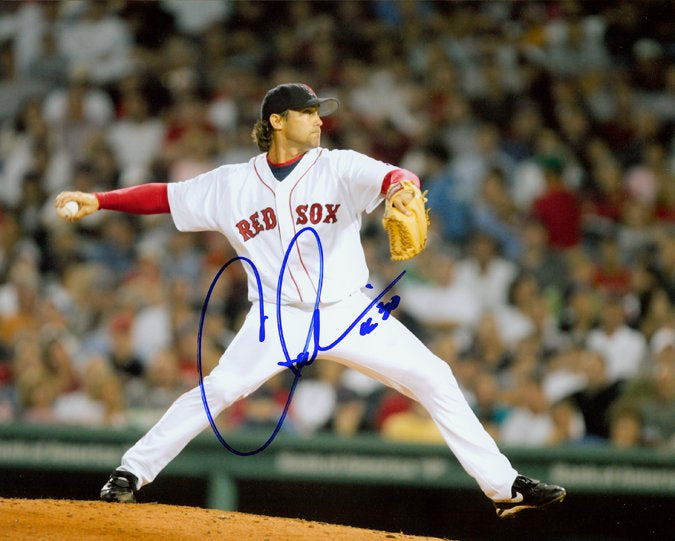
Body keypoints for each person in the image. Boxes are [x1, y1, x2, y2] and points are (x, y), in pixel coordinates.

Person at [55, 83, 565, 518]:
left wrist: (403, 190)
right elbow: (165, 196)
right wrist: (99, 200)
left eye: (319, 112)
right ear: (276, 122)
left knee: (435, 377)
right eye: (307, 112)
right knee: (218, 391)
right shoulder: (232, 185)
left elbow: (395, 177)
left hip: (349, 310)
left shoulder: (337, 166)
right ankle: (130, 472)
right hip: (278, 318)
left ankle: (504, 488)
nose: (319, 120)